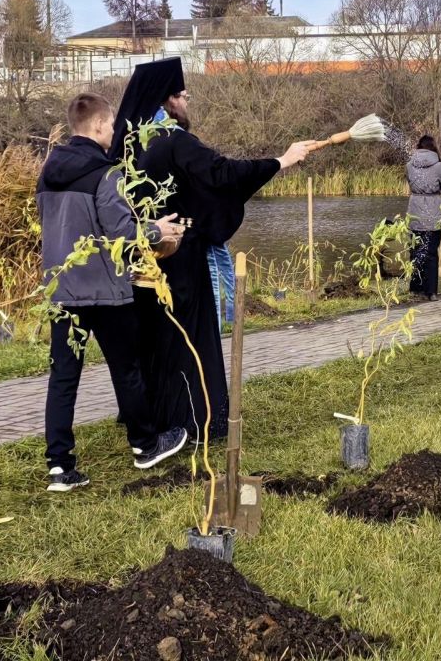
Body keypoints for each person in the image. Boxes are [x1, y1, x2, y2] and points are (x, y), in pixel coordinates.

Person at [111, 57, 314, 441]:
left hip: (139, 254)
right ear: (168, 100)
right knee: (188, 335)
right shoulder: (172, 140)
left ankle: (153, 417)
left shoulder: (128, 144)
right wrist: (280, 161)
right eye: (184, 96)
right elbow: (221, 175)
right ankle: (195, 421)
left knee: (153, 336)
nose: (187, 104)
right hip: (178, 254)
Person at [36, 93, 188, 492]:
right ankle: (145, 445)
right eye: (112, 124)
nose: (114, 130)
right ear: (102, 126)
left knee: (63, 376)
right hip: (104, 289)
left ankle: (59, 465)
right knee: (127, 369)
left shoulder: (48, 170)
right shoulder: (107, 174)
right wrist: (160, 230)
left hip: (62, 288)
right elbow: (122, 232)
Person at [406, 135, 441, 301]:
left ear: (418, 147)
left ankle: (416, 287)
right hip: (433, 209)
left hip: (415, 209)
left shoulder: (410, 165)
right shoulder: (439, 166)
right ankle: (431, 291)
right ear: (433, 148)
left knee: (416, 250)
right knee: (431, 252)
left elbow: (410, 182)